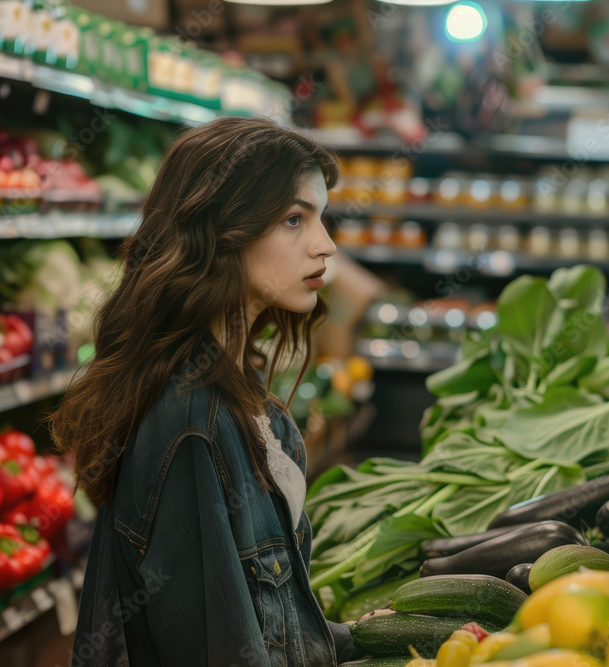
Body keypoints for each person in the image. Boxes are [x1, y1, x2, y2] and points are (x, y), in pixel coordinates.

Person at [50, 116, 362, 666]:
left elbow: (266, 625)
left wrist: (359, 638)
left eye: (321, 218)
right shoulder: (193, 423)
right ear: (221, 234)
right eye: (294, 219)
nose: (326, 245)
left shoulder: (237, 398)